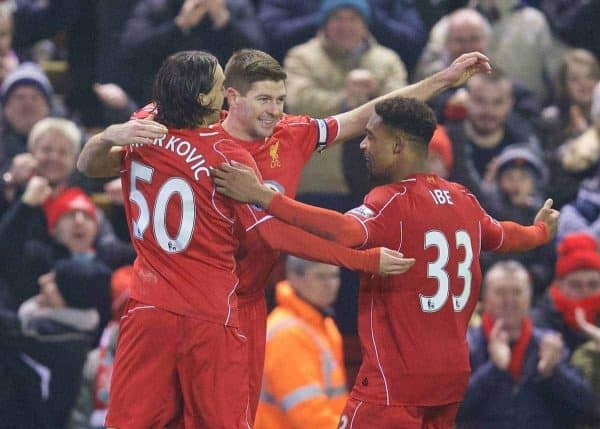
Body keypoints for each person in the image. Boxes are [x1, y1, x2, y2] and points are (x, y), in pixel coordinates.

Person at [78, 48, 492, 423]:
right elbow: (275, 233)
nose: (275, 111)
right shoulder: (222, 154)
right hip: (213, 308)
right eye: (264, 99)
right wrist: (365, 259)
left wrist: (440, 80)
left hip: (224, 302)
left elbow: (369, 115)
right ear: (229, 98)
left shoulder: (286, 133)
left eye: (281, 100)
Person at [211, 96, 559, 427]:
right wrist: (541, 231)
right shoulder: (464, 199)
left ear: (397, 146)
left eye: (371, 138)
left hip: (395, 383)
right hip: (451, 379)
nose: (363, 145)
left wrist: (263, 196)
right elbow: (506, 237)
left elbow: (345, 231)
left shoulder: (391, 201)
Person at [456, 260, 594, 429]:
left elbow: (586, 405)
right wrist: (494, 369)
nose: (509, 300)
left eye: (517, 292)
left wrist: (553, 372)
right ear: (484, 298)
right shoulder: (466, 345)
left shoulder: (548, 344)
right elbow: (453, 409)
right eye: (500, 292)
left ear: (529, 297)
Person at [255, 257, 346, 429]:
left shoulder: (325, 326)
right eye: (320, 276)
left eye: (335, 276)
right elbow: (309, 417)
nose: (330, 284)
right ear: (294, 277)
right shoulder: (287, 333)